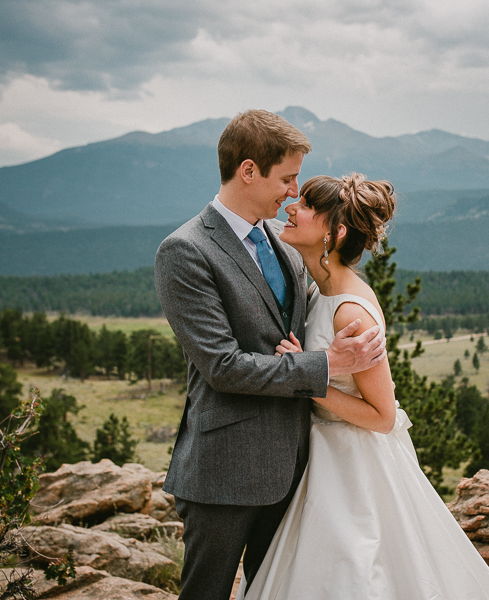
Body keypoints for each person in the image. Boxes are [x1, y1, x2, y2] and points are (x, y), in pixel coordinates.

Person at [237, 173, 489, 599]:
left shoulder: (352, 313)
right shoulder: (317, 290)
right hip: (320, 457)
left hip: (355, 468)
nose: (292, 206)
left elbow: (383, 417)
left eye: (306, 204)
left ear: (335, 232)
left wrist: (306, 381)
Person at [154, 110, 387, 600]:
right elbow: (222, 366)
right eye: (287, 178)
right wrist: (326, 365)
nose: (292, 192)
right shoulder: (186, 250)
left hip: (296, 468)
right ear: (248, 171)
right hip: (224, 470)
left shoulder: (282, 246)